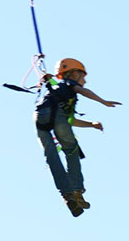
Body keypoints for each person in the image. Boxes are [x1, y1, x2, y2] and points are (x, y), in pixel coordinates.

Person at [34, 57, 120, 217]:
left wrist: (91, 124)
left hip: (40, 117)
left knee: (52, 156)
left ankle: (67, 195)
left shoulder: (56, 92)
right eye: (83, 76)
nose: (85, 81)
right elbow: (81, 92)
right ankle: (76, 190)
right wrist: (102, 101)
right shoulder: (69, 85)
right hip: (55, 116)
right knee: (72, 150)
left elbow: (69, 121)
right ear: (74, 74)